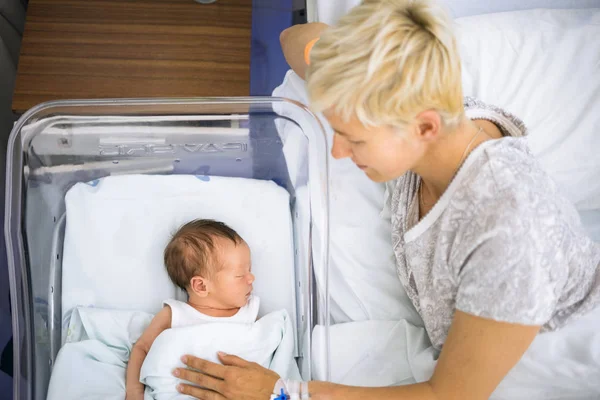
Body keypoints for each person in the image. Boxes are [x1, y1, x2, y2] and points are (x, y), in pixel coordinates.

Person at [171, 1, 600, 399]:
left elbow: (447, 395)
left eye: (354, 139)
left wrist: (283, 392)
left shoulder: (510, 242)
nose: (336, 152)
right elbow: (292, 41)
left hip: (539, 354)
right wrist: (331, 56)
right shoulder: (420, 111)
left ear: (425, 129)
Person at [125, 219, 257, 400]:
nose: (251, 278)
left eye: (250, 269)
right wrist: (134, 392)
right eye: (240, 275)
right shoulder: (174, 315)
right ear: (201, 286)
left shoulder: (249, 312)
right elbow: (141, 348)